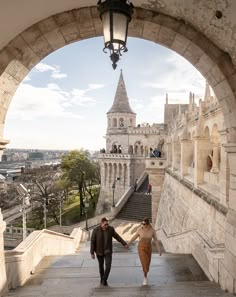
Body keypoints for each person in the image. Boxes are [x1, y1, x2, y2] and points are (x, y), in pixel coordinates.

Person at [90, 217, 128, 286]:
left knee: (108, 266)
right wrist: (92, 253)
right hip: (99, 251)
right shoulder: (96, 230)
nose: (106, 226)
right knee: (101, 266)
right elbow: (92, 241)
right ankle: (102, 278)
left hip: (108, 251)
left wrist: (124, 243)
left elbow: (117, 236)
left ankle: (104, 279)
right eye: (105, 224)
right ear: (101, 223)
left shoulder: (110, 229)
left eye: (107, 224)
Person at [127, 218, 162, 285]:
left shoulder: (152, 230)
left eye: (144, 224)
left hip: (149, 248)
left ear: (148, 224)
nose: (143, 225)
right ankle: (145, 278)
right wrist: (128, 243)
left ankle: (144, 270)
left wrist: (159, 250)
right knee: (145, 262)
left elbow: (156, 240)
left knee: (147, 263)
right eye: (142, 224)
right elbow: (134, 237)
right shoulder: (140, 229)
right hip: (141, 247)